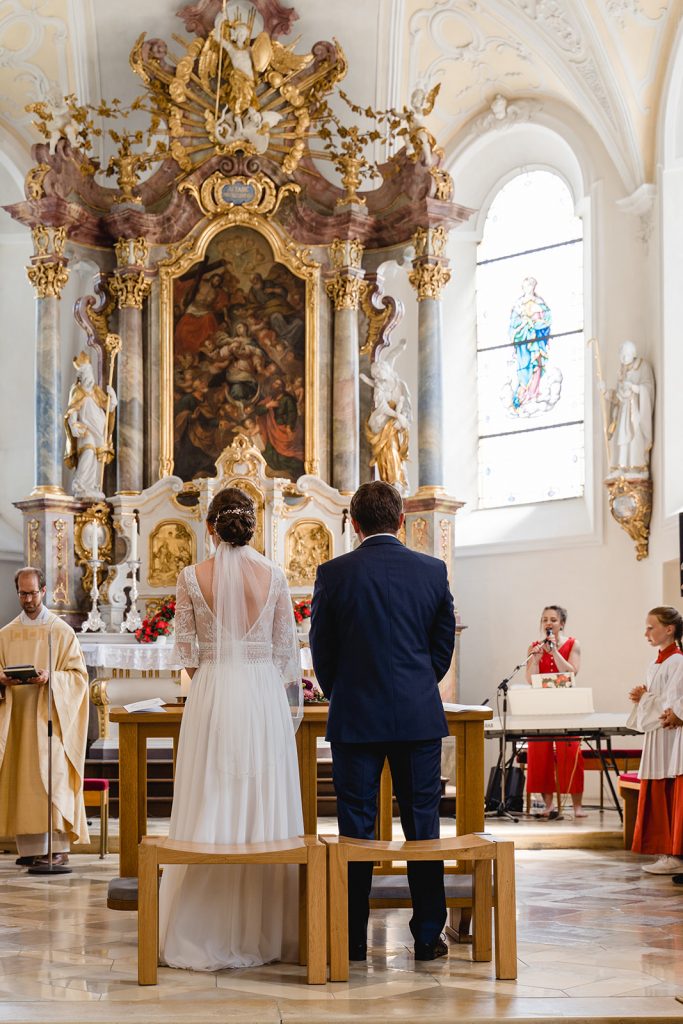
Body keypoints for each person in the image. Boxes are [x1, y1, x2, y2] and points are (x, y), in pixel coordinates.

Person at [309, 481, 455, 963]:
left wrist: (342, 690)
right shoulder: (433, 570)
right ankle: (429, 936)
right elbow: (441, 646)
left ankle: (351, 937)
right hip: (417, 715)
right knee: (423, 825)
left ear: (353, 523)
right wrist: (416, 683)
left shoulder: (334, 572)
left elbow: (321, 648)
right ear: (400, 521)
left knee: (356, 827)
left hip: (355, 716)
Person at [158, 487, 303, 970]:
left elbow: (186, 655)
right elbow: (287, 656)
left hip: (213, 694)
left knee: (211, 798)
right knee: (260, 803)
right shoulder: (276, 576)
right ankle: (269, 932)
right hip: (263, 695)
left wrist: (220, 680)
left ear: (209, 526)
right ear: (253, 525)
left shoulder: (189, 577)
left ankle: (203, 927)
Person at [0, 567, 89, 867]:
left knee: (52, 778)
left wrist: (52, 678)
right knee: (23, 781)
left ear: (44, 591)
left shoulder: (60, 631)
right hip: (17, 720)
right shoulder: (6, 634)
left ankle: (58, 847)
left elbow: (78, 678)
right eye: (22, 593)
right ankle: (30, 849)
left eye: (32, 593)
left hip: (49, 718)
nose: (27, 599)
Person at [628, 606, 683, 874]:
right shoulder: (658, 662)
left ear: (669, 629)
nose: (646, 632)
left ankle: (673, 853)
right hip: (657, 736)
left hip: (671, 738)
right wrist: (645, 697)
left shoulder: (678, 661)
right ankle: (664, 851)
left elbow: (672, 705)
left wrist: (645, 699)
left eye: (651, 627)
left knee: (668, 789)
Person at [525, 605, 585, 818]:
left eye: (553, 619)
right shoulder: (535, 646)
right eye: (544, 620)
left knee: (570, 752)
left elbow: (572, 672)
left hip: (566, 706)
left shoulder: (572, 644)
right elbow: (530, 678)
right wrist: (537, 658)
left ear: (562, 623)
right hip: (542, 708)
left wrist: (555, 652)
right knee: (540, 754)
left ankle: (577, 806)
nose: (548, 623)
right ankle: (548, 805)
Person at [64, 351, 117, 500]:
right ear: (81, 375)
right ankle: (80, 484)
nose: (90, 375)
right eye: (86, 372)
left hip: (98, 429)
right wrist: (73, 425)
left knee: (96, 457)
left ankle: (92, 486)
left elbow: (108, 407)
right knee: (87, 452)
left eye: (90, 372)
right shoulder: (77, 390)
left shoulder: (96, 390)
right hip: (85, 429)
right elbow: (73, 409)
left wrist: (113, 398)